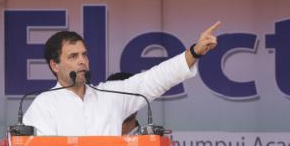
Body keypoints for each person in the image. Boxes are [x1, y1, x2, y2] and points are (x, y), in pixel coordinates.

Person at [23, 21, 220, 136]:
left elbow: (155, 79)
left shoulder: (110, 95)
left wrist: (194, 52)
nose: (82, 61)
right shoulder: (44, 105)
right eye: (73, 57)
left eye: (84, 55)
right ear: (54, 65)